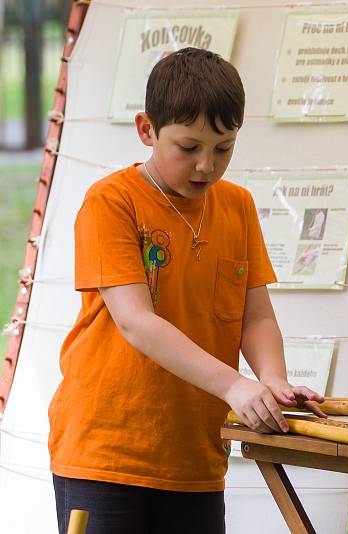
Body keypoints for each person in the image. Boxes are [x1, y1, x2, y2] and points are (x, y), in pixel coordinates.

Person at [47, 47, 324, 534]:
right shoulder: (111, 202)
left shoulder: (237, 206)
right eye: (188, 147)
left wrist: (272, 380)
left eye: (223, 149)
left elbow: (254, 315)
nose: (206, 166)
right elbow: (136, 321)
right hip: (105, 452)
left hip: (195, 457)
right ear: (146, 130)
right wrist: (234, 385)